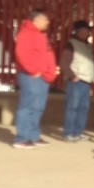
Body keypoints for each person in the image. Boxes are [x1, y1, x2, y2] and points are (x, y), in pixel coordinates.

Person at [12, 9, 57, 149]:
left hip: (42, 76)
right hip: (31, 76)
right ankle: (21, 138)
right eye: (45, 19)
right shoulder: (26, 34)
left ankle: (33, 136)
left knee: (37, 107)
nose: (48, 22)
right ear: (36, 20)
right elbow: (22, 54)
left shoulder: (39, 35)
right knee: (27, 107)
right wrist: (33, 70)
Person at [60, 20, 94, 142]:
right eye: (86, 30)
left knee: (83, 108)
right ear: (78, 31)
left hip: (86, 81)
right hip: (77, 80)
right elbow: (64, 62)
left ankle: (78, 132)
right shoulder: (71, 44)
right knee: (73, 107)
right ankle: (68, 133)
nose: (88, 33)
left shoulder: (87, 45)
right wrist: (71, 76)